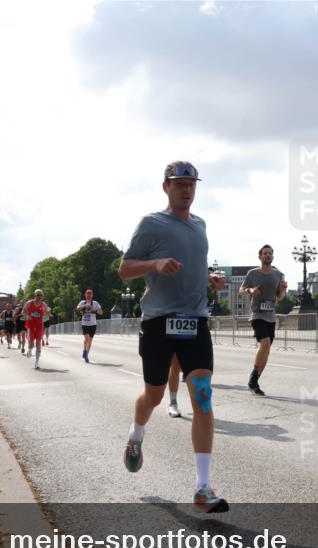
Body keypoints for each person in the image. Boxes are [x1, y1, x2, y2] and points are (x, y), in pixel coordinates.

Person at [118, 160, 228, 513]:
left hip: (195, 321)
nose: (186, 189)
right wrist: (154, 264)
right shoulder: (151, 223)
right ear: (165, 186)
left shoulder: (200, 225)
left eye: (191, 183)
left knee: (203, 396)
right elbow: (124, 269)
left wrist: (210, 278)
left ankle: (202, 487)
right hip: (158, 323)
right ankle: (136, 437)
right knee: (152, 395)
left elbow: (194, 263)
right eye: (179, 183)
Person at [238, 244, 287, 395]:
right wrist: (250, 290)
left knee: (266, 350)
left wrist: (283, 289)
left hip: (271, 316)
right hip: (257, 314)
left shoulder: (279, 274)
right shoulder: (252, 274)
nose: (268, 255)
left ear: (273, 256)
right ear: (260, 257)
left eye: (270, 253)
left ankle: (255, 381)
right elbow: (241, 291)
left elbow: (280, 297)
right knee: (264, 343)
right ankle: (253, 377)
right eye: (265, 253)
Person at [22, 289, 51, 369]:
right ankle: (30, 350)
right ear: (35, 295)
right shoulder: (29, 303)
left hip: (39, 326)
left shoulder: (44, 305)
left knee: (38, 344)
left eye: (40, 295)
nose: (38, 296)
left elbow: (47, 312)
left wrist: (48, 314)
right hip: (30, 326)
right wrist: (27, 316)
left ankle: (37, 362)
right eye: (37, 295)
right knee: (31, 344)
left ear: (42, 296)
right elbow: (23, 311)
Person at [76, 289, 103, 363]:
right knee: (87, 338)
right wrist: (85, 306)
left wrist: (94, 310)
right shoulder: (82, 302)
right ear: (85, 295)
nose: (89, 295)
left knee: (90, 340)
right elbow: (77, 308)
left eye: (90, 294)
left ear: (92, 295)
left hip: (93, 324)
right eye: (87, 294)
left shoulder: (95, 303)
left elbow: (101, 312)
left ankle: (86, 354)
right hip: (85, 324)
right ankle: (84, 349)